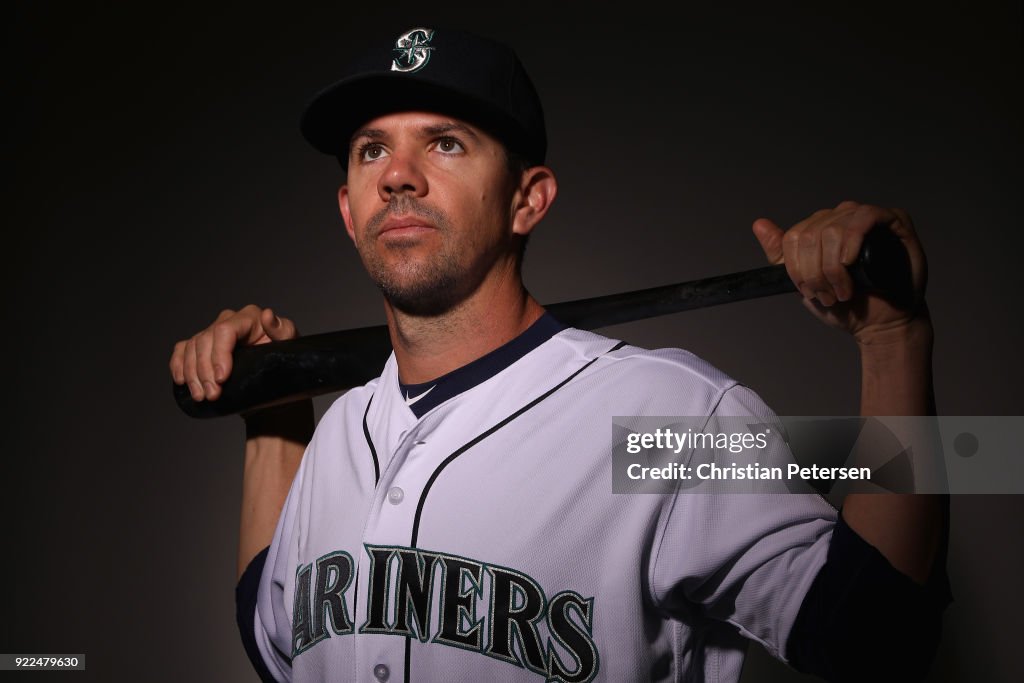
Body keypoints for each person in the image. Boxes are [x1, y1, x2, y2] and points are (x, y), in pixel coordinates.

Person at [169, 26, 949, 683]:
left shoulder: (659, 418)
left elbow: (885, 633)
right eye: (372, 151)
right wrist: (273, 417)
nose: (398, 176)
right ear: (348, 207)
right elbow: (275, 639)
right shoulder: (338, 433)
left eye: (445, 143)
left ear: (528, 198)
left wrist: (893, 340)